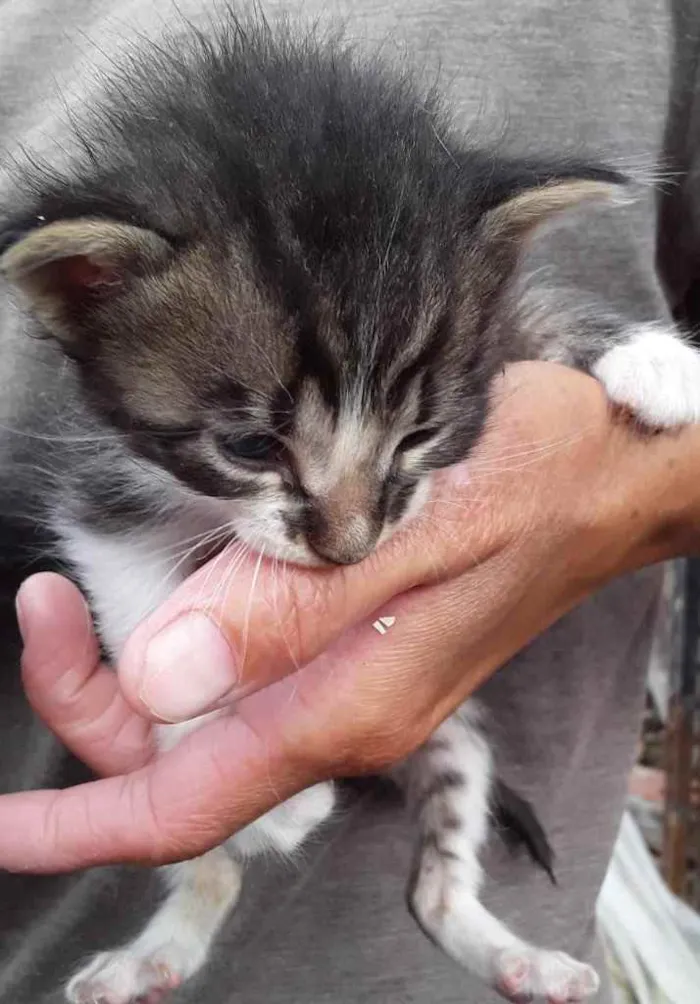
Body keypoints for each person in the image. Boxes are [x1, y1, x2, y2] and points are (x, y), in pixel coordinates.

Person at [1, 1, 699, 1002]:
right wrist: (186, 695)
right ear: (79, 289)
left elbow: (515, 335)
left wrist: (623, 474)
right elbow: (110, 518)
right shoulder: (135, 287)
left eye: (409, 439)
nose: (348, 532)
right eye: (250, 445)